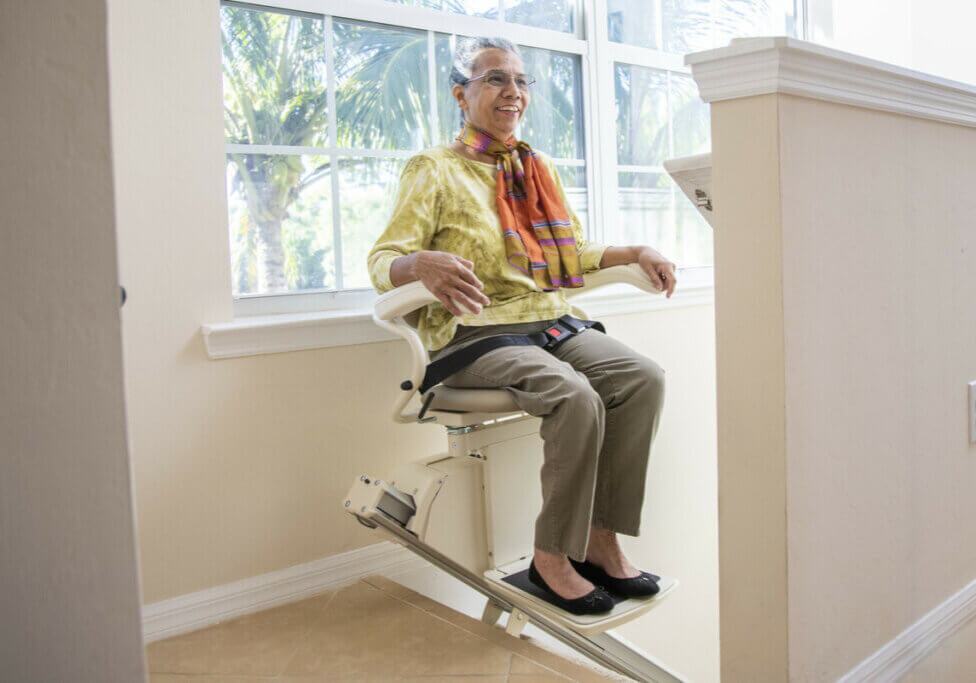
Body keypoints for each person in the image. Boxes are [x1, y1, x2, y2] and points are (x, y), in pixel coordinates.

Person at [367, 36, 677, 615]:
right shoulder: (433, 169)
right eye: (494, 79)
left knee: (642, 378)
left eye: (519, 80)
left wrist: (636, 250)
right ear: (461, 95)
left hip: (548, 321)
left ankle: (598, 538)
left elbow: (571, 253)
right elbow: (383, 260)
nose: (512, 91)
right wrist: (421, 264)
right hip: (473, 332)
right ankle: (550, 557)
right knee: (574, 396)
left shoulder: (536, 168)